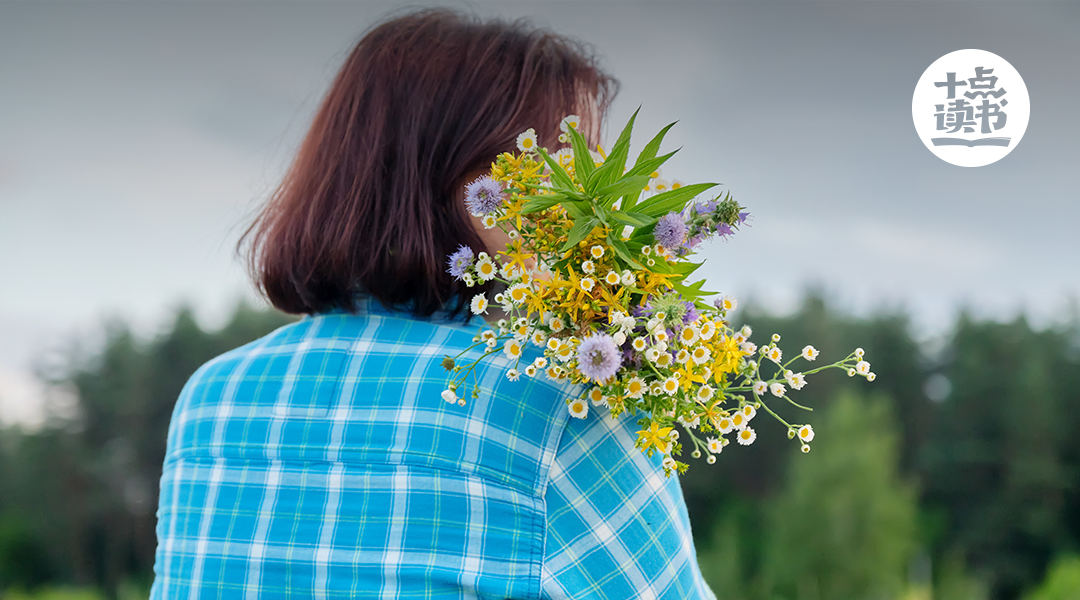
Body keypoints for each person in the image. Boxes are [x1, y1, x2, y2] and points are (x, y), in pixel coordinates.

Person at [150, 9, 715, 599]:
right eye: (565, 160)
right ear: (470, 179)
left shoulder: (212, 399)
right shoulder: (556, 406)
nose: (596, 202)